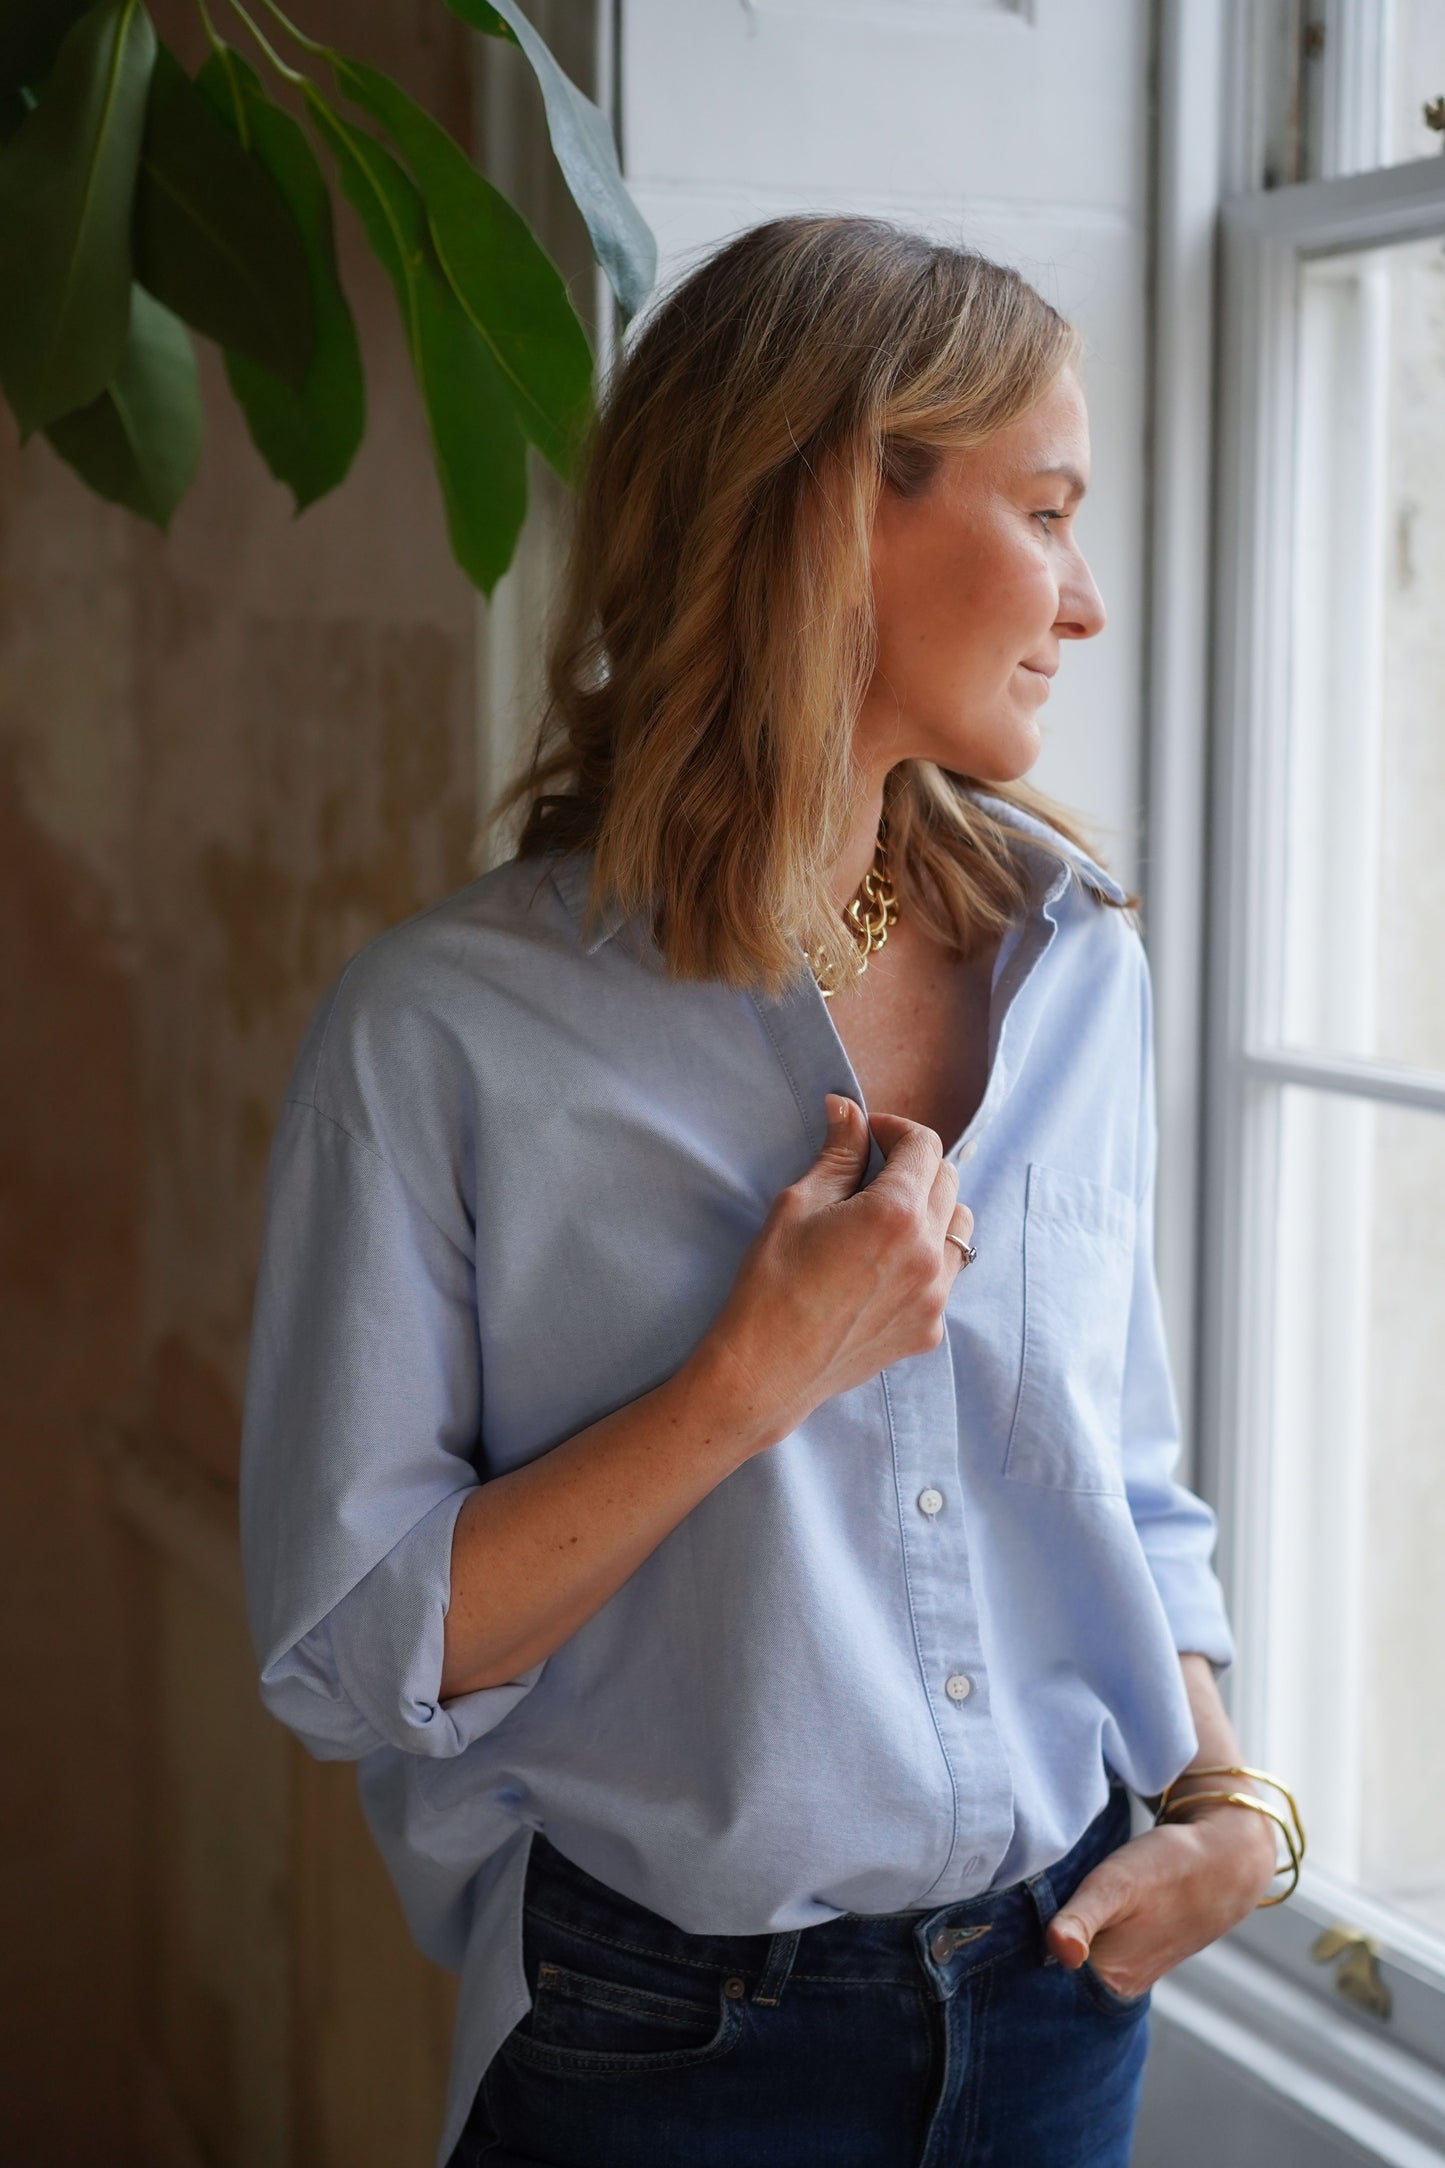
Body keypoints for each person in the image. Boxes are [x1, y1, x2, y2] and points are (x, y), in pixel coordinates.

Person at [238, 215, 1300, 2168]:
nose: (1085, 603)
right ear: (834, 512)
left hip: (1062, 2000)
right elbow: (352, 1647)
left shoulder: (1078, 969)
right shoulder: (446, 1033)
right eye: (1048, 510)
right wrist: (750, 1382)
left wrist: (1231, 1807)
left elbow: (1119, 1480)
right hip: (666, 2057)